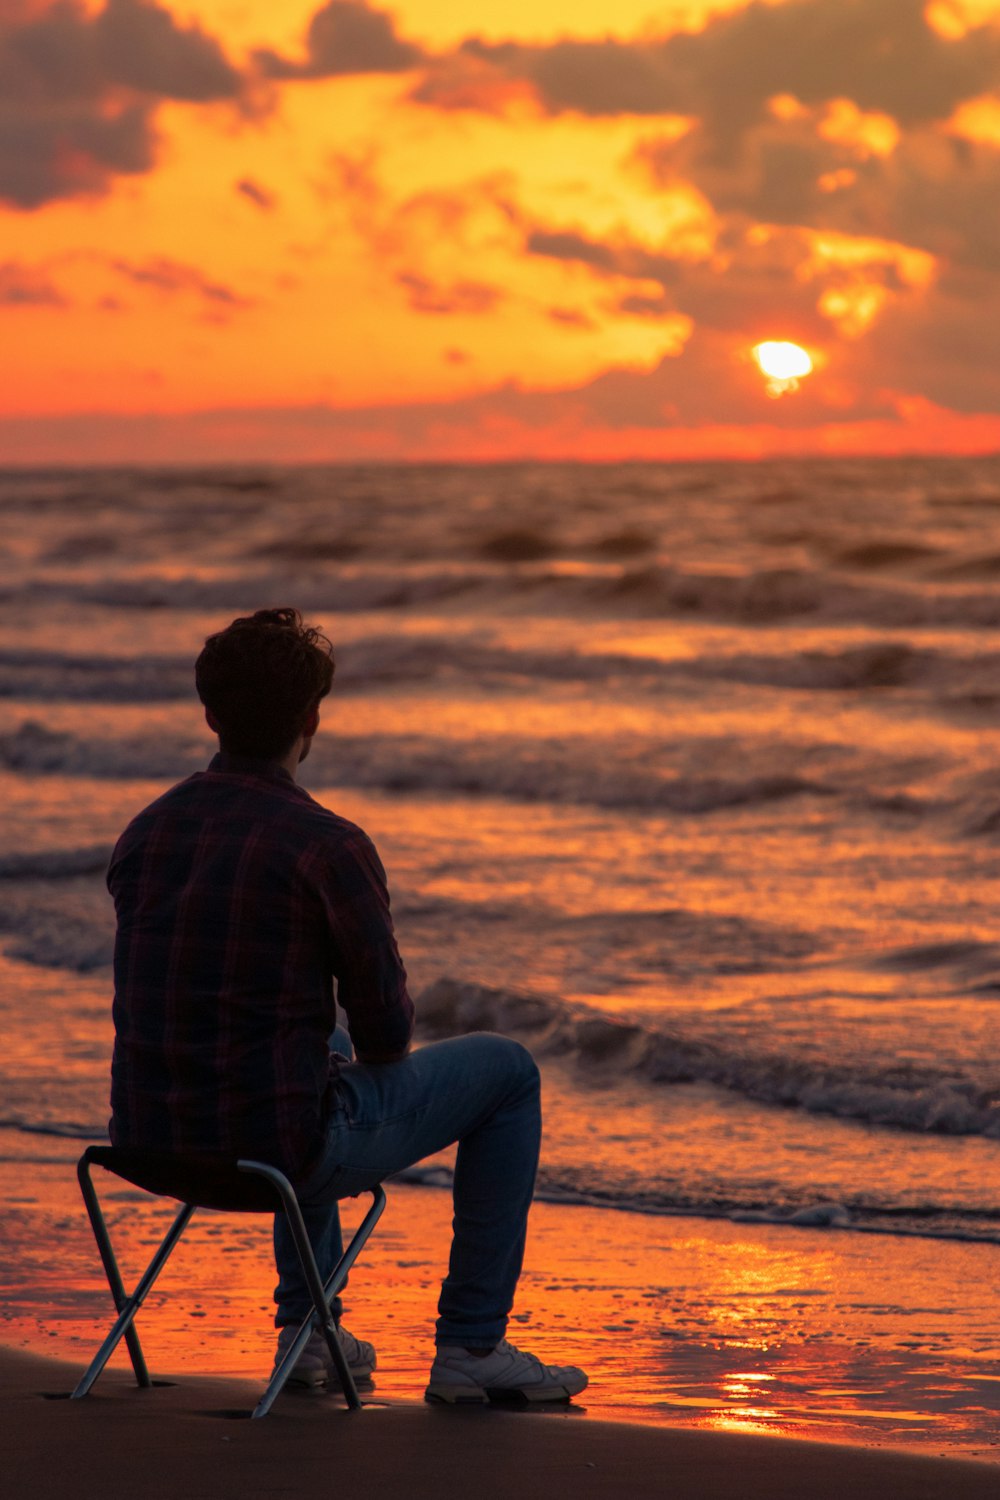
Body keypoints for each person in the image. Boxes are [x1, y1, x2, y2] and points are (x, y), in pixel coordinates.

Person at [107, 606, 587, 1405]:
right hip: (278, 1153)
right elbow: (388, 1035)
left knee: (307, 1047)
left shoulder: (146, 830)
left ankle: (308, 1334)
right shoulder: (326, 845)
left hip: (149, 1143)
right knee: (509, 1073)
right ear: (311, 718)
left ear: (210, 715)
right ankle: (472, 1344)